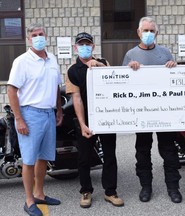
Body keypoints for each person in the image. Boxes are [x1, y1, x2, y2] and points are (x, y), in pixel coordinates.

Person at [122, 16, 182, 203]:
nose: (148, 34)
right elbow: (122, 85)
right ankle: (145, 187)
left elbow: (174, 82)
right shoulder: (131, 55)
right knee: (142, 150)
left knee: (169, 151)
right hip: (142, 114)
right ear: (139, 32)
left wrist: (174, 67)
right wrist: (129, 70)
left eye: (152, 31)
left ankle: (173, 188)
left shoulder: (165, 53)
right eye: (145, 30)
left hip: (164, 113)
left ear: (157, 33)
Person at [7, 23, 63, 216]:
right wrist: (19, 119)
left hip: (48, 113)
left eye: (41, 34)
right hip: (30, 114)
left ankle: (39, 193)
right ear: (29, 39)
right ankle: (29, 200)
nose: (39, 37)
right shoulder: (22, 61)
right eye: (34, 35)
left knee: (43, 157)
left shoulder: (52, 59)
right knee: (29, 160)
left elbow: (56, 86)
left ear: (46, 36)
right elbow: (11, 90)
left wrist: (59, 110)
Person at [66, 32, 124, 208]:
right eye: (81, 44)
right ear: (76, 48)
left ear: (93, 46)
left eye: (88, 44)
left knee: (109, 156)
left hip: (106, 118)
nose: (85, 47)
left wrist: (98, 65)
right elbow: (76, 99)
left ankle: (110, 192)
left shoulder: (104, 63)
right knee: (84, 158)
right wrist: (83, 124)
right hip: (86, 121)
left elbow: (116, 80)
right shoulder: (72, 71)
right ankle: (86, 191)